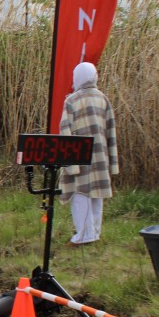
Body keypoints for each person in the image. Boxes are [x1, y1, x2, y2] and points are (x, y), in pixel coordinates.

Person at [59, 62, 119, 246]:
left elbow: (65, 132)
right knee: (96, 195)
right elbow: (111, 132)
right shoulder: (103, 99)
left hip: (79, 156)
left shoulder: (71, 100)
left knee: (80, 195)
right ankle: (94, 232)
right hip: (100, 156)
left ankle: (85, 235)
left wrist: (70, 164)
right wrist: (113, 163)